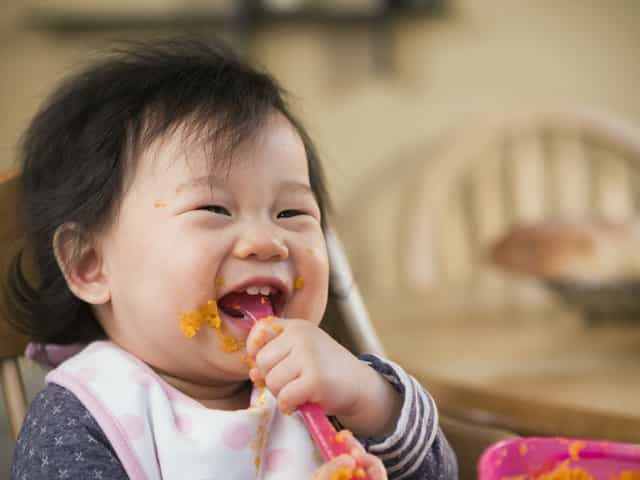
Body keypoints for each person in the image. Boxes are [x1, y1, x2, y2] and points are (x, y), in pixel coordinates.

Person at [8, 38, 457, 480]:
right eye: (214, 210)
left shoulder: (329, 386)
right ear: (90, 264)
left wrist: (370, 399)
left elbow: (442, 472)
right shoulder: (85, 415)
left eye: (291, 213)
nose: (267, 242)